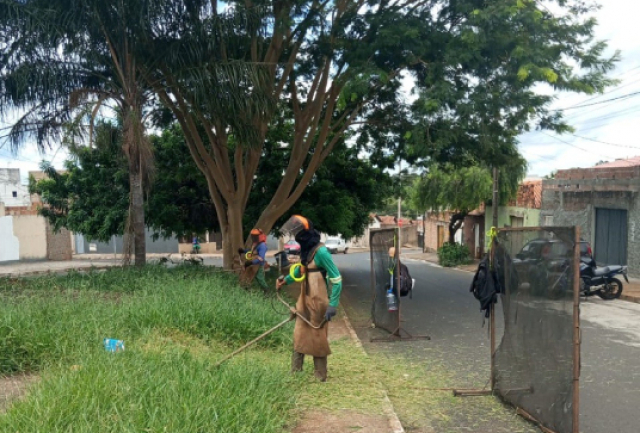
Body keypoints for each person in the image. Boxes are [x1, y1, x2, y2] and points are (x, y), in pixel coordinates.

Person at [276, 215, 343, 382]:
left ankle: (320, 376)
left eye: (299, 234)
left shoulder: (321, 252)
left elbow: (337, 279)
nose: (298, 238)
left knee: (317, 336)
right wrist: (285, 280)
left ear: (306, 234)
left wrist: (333, 305)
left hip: (319, 301)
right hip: (304, 299)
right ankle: (295, 373)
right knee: (299, 333)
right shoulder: (306, 251)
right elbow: (301, 270)